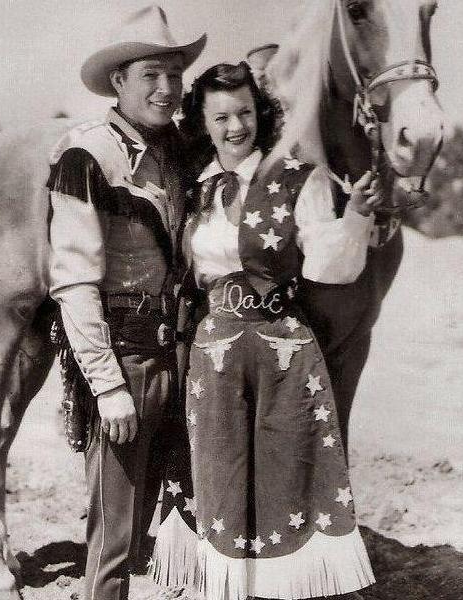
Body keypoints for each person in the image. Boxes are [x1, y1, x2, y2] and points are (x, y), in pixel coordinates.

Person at [149, 62, 378, 599]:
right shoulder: (193, 187)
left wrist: (356, 218)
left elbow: (326, 265)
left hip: (282, 353)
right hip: (214, 356)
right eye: (221, 117)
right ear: (202, 123)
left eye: (245, 112)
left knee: (284, 473)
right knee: (220, 471)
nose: (236, 127)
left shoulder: (297, 178)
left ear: (261, 113)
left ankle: (284, 587)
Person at [47, 6, 206, 600]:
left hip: (179, 356)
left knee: (150, 531)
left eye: (175, 76)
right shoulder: (85, 154)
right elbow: (74, 282)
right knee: (112, 537)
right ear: (118, 81)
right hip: (126, 357)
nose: (167, 89)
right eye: (151, 76)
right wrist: (107, 385)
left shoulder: (177, 154)